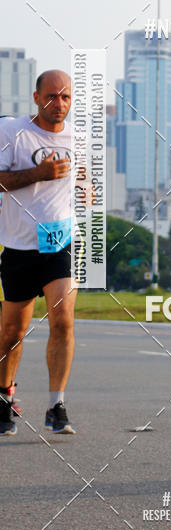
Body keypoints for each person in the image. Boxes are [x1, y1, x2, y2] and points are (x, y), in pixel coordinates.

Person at [0, 70, 77, 436]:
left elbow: (83, 184)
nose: (57, 104)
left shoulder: (80, 139)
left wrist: (87, 194)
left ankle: (56, 404)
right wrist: (38, 173)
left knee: (63, 320)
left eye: (64, 97)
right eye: (50, 96)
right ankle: (3, 396)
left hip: (58, 244)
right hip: (18, 246)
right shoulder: (12, 131)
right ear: (36, 97)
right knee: (13, 331)